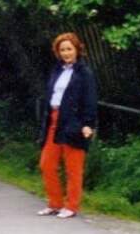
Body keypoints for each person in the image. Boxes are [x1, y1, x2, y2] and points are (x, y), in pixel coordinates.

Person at [37, 32, 97, 219]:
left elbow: (90, 99)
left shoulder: (84, 73)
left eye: (69, 49)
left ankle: (71, 206)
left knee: (73, 167)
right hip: (54, 121)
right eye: (62, 50)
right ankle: (55, 203)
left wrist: (88, 124)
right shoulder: (57, 70)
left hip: (75, 122)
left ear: (77, 50)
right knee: (47, 164)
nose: (66, 53)